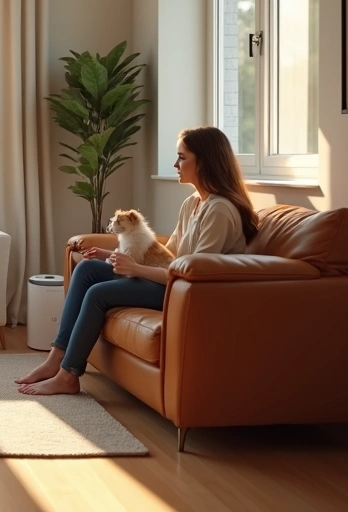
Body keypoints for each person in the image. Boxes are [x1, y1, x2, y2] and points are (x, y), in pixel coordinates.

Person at [17, 126, 258, 395]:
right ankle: (54, 360)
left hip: (187, 294)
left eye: (182, 157)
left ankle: (68, 375)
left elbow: (193, 274)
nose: (175, 164)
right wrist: (113, 256)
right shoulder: (193, 203)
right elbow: (171, 256)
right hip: (171, 282)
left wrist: (136, 268)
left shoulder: (220, 210)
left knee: (98, 294)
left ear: (205, 161)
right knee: (86, 268)